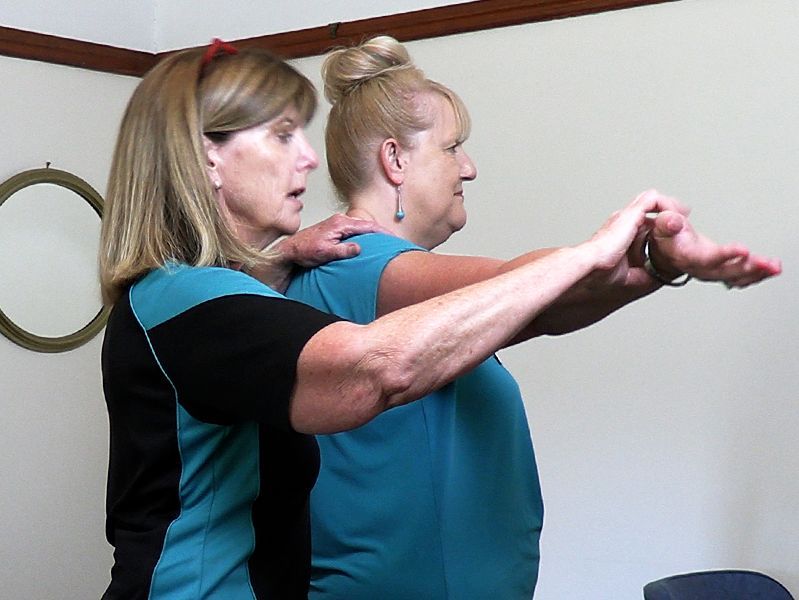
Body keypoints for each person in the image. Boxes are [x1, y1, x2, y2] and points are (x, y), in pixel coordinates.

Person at [96, 39, 705, 599]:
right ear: (208, 159)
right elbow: (377, 370)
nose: (309, 159)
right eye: (283, 136)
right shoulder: (186, 300)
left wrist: (274, 260)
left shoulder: (204, 295)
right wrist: (588, 256)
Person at [285, 35, 782, 599]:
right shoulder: (357, 267)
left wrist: (653, 267)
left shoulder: (370, 280)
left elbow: (540, 303)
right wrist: (638, 249)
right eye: (452, 148)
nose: (468, 168)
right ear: (395, 159)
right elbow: (527, 288)